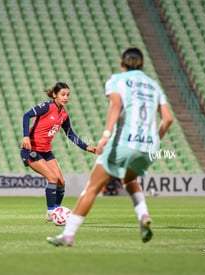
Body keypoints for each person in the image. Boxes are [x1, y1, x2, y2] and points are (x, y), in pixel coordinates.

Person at [47, 47, 173, 246]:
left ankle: (68, 235)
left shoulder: (117, 80)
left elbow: (115, 105)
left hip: (124, 142)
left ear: (122, 64)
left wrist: (105, 135)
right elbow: (168, 119)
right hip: (148, 146)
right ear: (142, 64)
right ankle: (143, 216)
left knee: (91, 188)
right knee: (130, 178)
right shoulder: (154, 85)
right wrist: (154, 141)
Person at [20, 82, 96, 222]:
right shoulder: (47, 107)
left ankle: (56, 211)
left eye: (68, 95)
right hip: (31, 150)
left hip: (46, 151)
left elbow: (70, 134)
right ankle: (50, 213)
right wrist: (26, 136)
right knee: (52, 178)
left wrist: (87, 147)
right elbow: (26, 115)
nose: (66, 97)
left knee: (61, 182)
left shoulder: (64, 115)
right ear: (54, 95)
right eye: (63, 94)